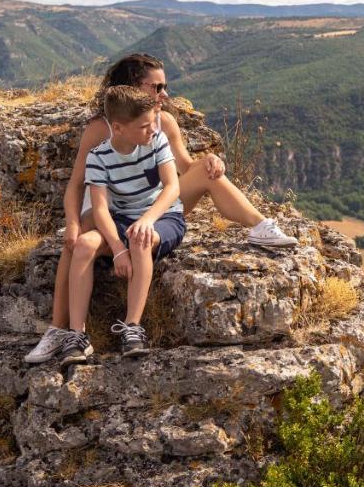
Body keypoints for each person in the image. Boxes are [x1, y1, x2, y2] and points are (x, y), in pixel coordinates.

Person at [26, 53, 297, 364]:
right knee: (74, 243)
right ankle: (60, 330)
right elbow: (77, 185)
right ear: (132, 87)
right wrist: (73, 223)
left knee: (209, 173)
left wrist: (208, 161)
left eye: (164, 86)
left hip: (155, 210)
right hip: (114, 212)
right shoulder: (100, 130)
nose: (164, 94)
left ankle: (260, 226)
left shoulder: (163, 122)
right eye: (156, 87)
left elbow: (182, 168)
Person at [57, 86, 182, 365]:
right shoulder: (99, 157)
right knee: (84, 244)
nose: (152, 129)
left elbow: (173, 187)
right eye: (144, 125)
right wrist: (116, 250)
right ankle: (77, 335)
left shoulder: (157, 140)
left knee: (140, 239)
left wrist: (147, 220)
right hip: (122, 219)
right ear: (118, 128)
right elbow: (99, 209)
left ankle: (133, 328)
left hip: (163, 217)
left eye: (152, 123)